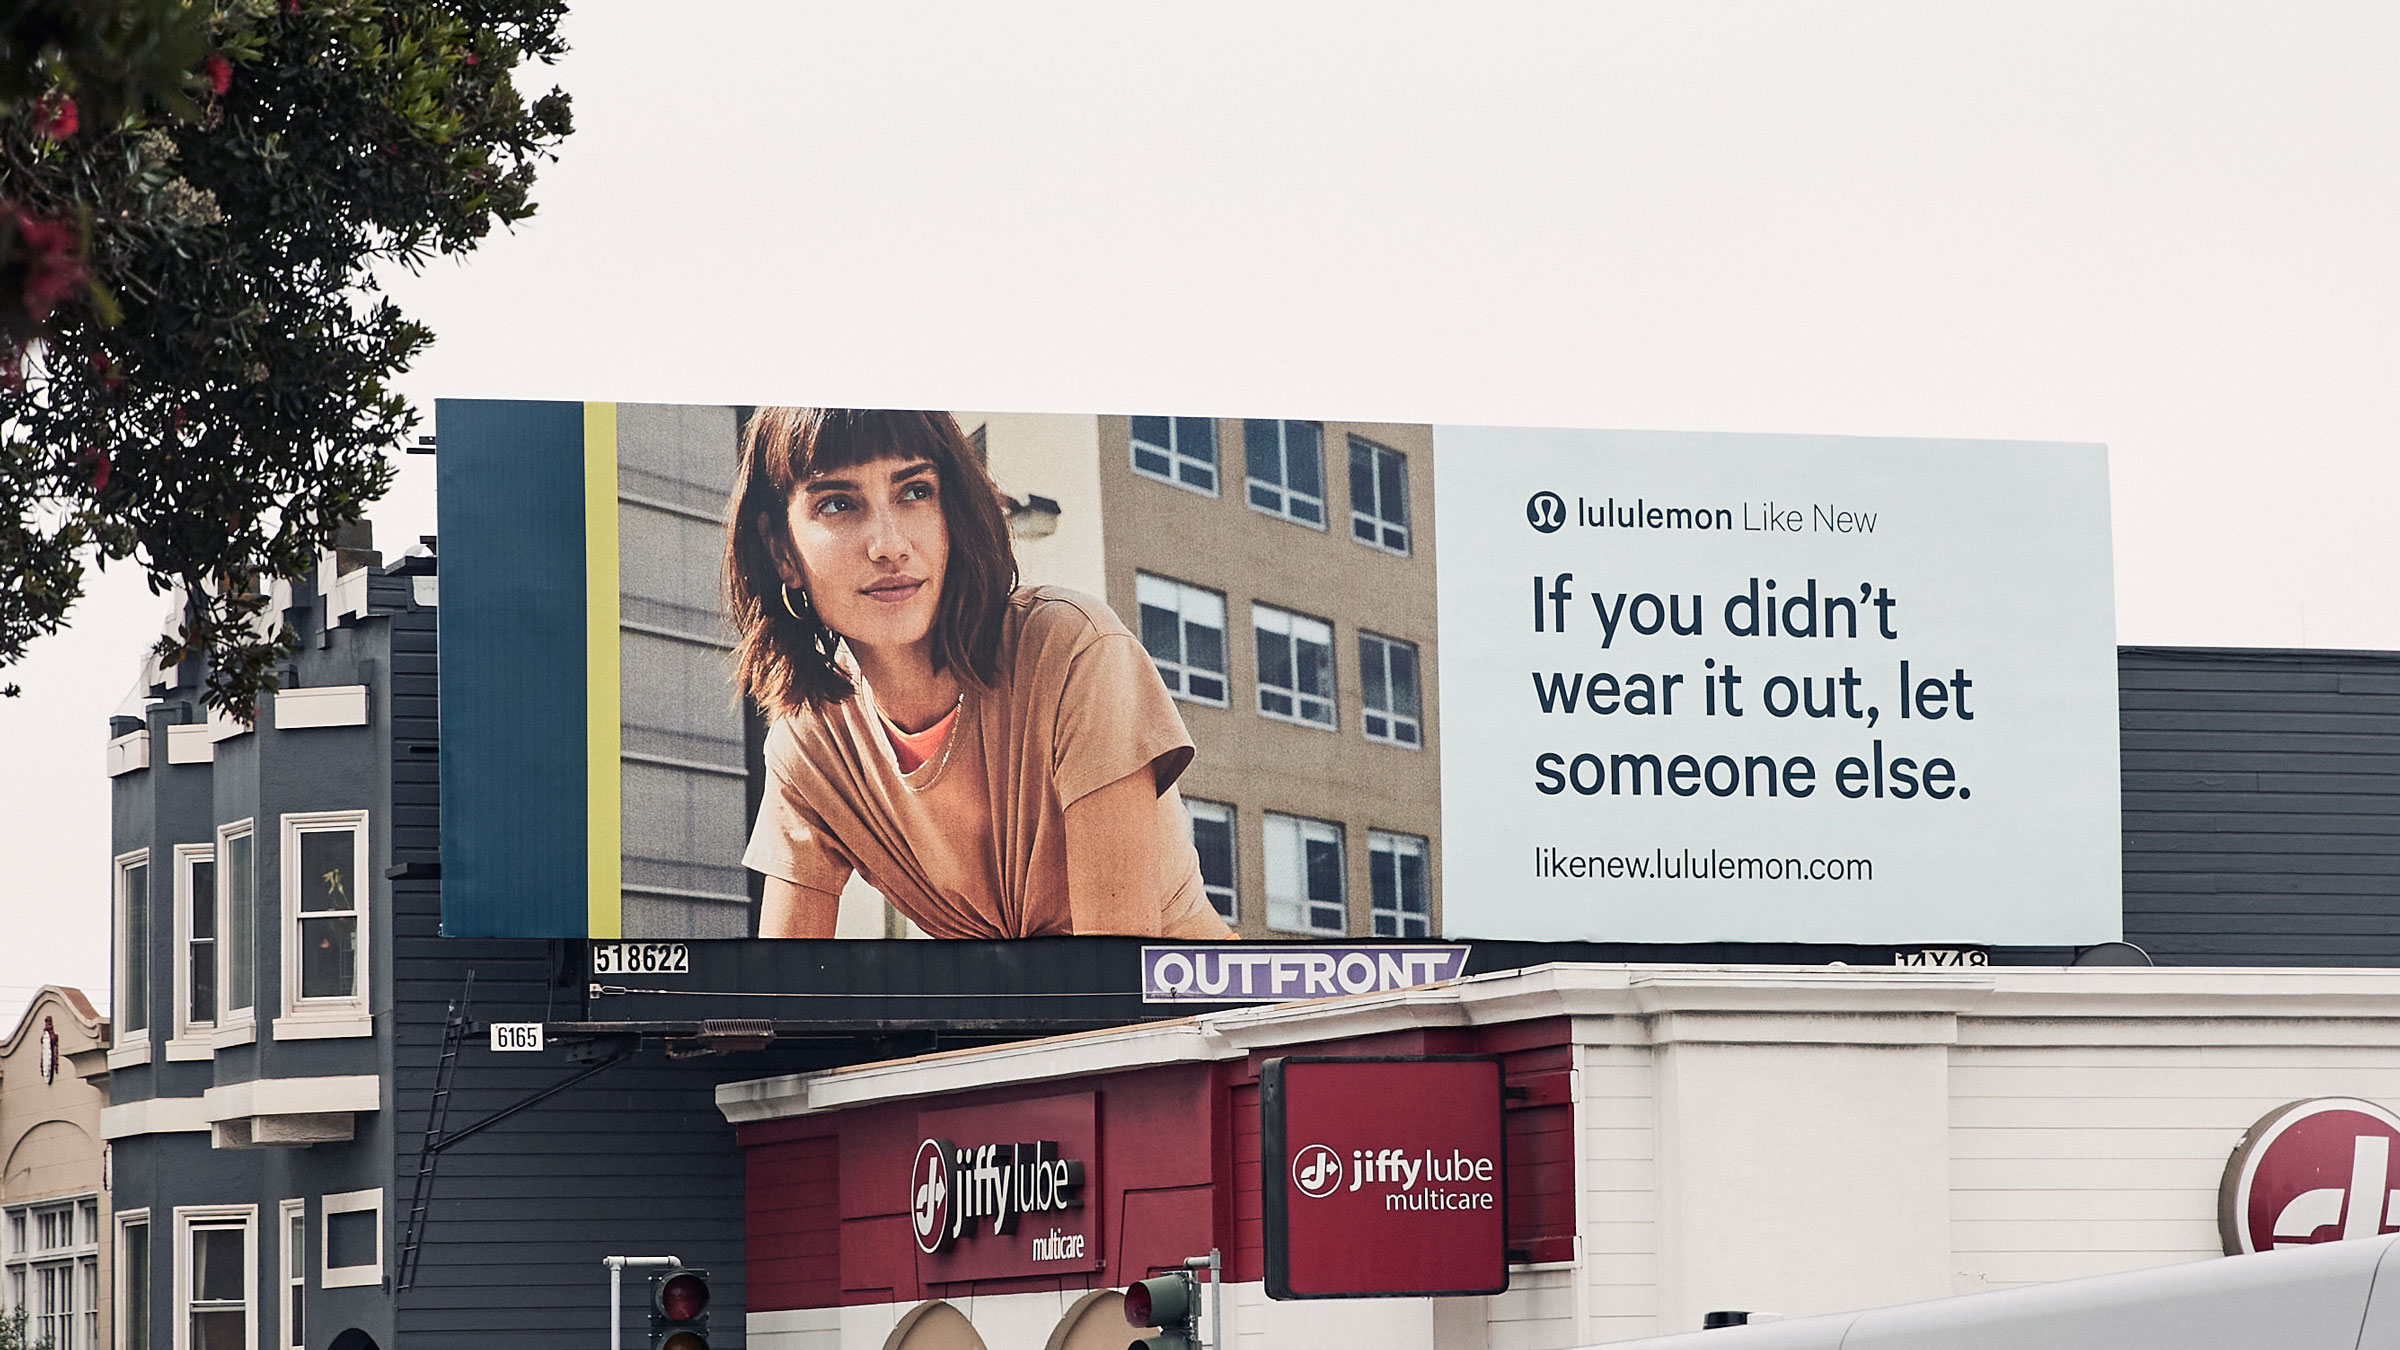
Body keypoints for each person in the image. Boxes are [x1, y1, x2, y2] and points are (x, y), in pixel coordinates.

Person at [725, 407, 1235, 940]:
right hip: (1013, 1023)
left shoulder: (1072, 651)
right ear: (782, 550)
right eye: (838, 504)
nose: (890, 545)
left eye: (915, 491)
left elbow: (1115, 987)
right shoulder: (810, 742)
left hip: (1213, 1016)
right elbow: (788, 998)